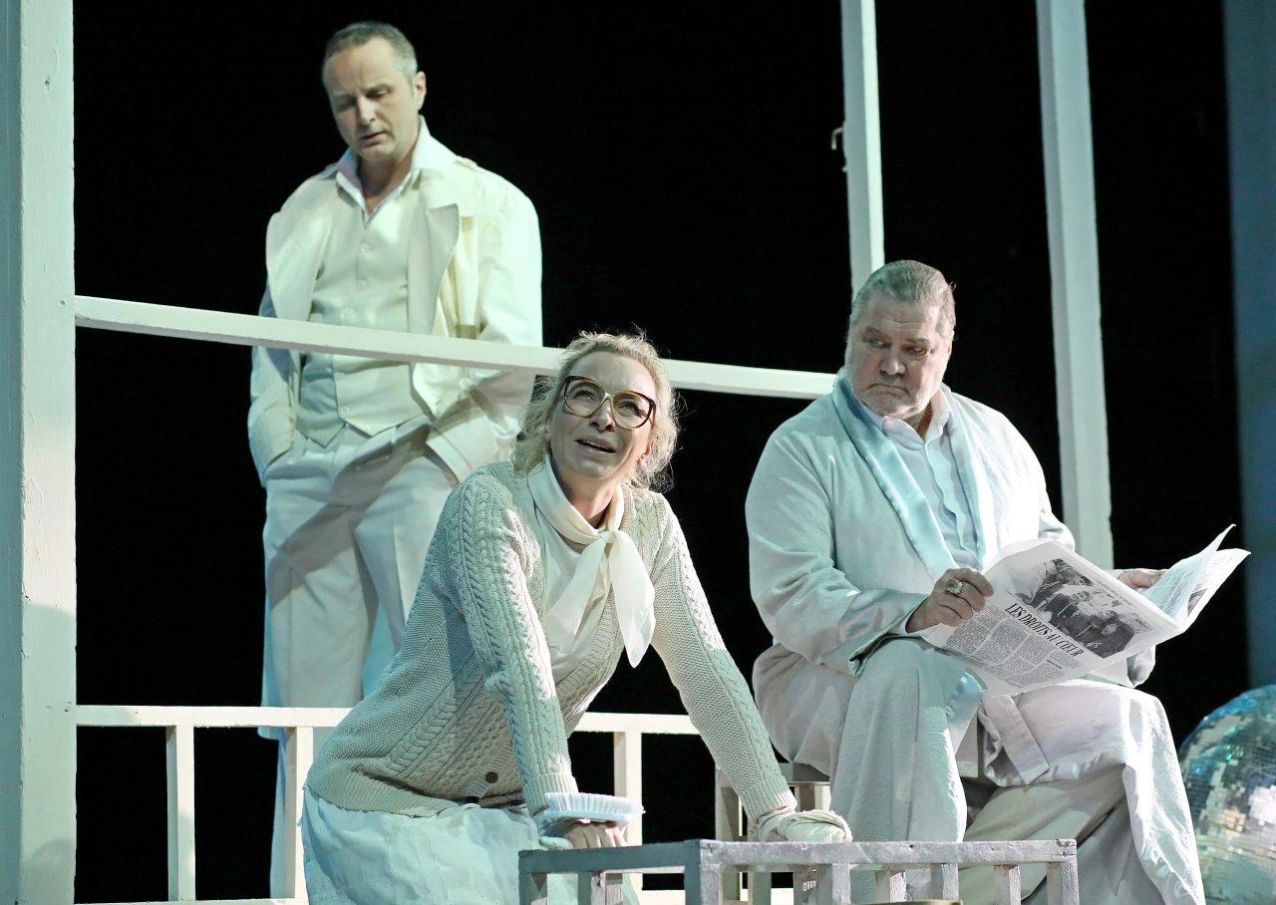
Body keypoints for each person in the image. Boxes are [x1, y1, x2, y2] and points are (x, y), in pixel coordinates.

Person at [300, 333, 850, 904]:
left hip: (503, 811)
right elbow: (520, 667)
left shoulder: (651, 526)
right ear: (548, 418)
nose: (604, 418)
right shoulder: (490, 500)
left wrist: (774, 812)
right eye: (585, 394)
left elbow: (705, 669)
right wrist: (561, 809)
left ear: (649, 444)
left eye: (630, 406)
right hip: (382, 797)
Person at [746, 260, 1204, 904]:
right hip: (837, 672)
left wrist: (1109, 595)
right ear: (851, 335)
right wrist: (914, 614)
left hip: (1002, 671)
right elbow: (793, 593)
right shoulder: (801, 447)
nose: (890, 364)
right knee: (911, 669)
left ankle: (963, 892)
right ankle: (888, 895)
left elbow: (1050, 556)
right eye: (875, 342)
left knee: (1130, 723)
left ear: (947, 348)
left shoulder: (998, 436)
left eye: (914, 349)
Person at [247, 21, 541, 893]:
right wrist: (278, 452)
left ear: (417, 87)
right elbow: (270, 344)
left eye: (378, 92)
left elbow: (512, 355)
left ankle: (431, 889)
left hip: (423, 460)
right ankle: (302, 890)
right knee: (305, 706)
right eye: (345, 100)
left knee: (432, 699)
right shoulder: (304, 208)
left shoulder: (491, 201)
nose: (363, 113)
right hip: (314, 472)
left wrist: (450, 461)